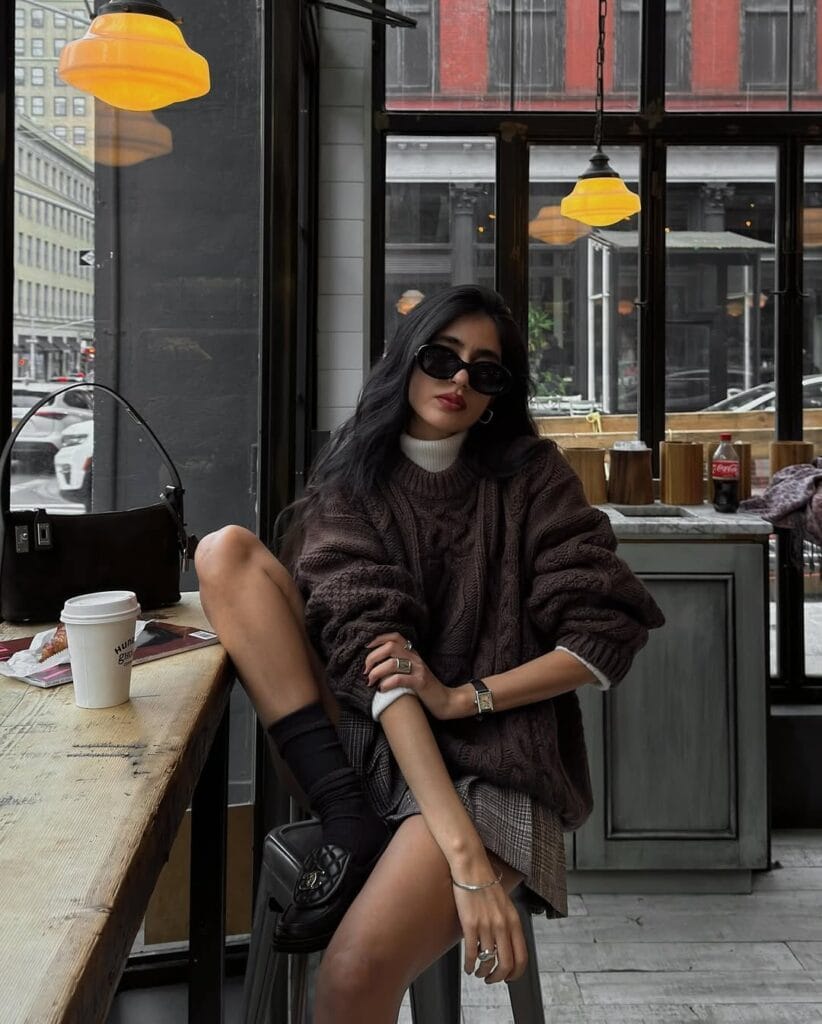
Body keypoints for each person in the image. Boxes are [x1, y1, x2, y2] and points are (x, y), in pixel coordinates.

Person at [195, 285, 664, 1023]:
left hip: (498, 770)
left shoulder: (531, 478)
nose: (459, 381)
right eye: (443, 358)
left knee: (349, 978)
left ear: (498, 395)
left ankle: (366, 831)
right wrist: (464, 864)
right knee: (225, 552)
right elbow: (378, 664)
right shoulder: (354, 482)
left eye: (486, 372)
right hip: (370, 748)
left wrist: (464, 698)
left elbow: (603, 635)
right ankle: (350, 818)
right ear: (404, 361)